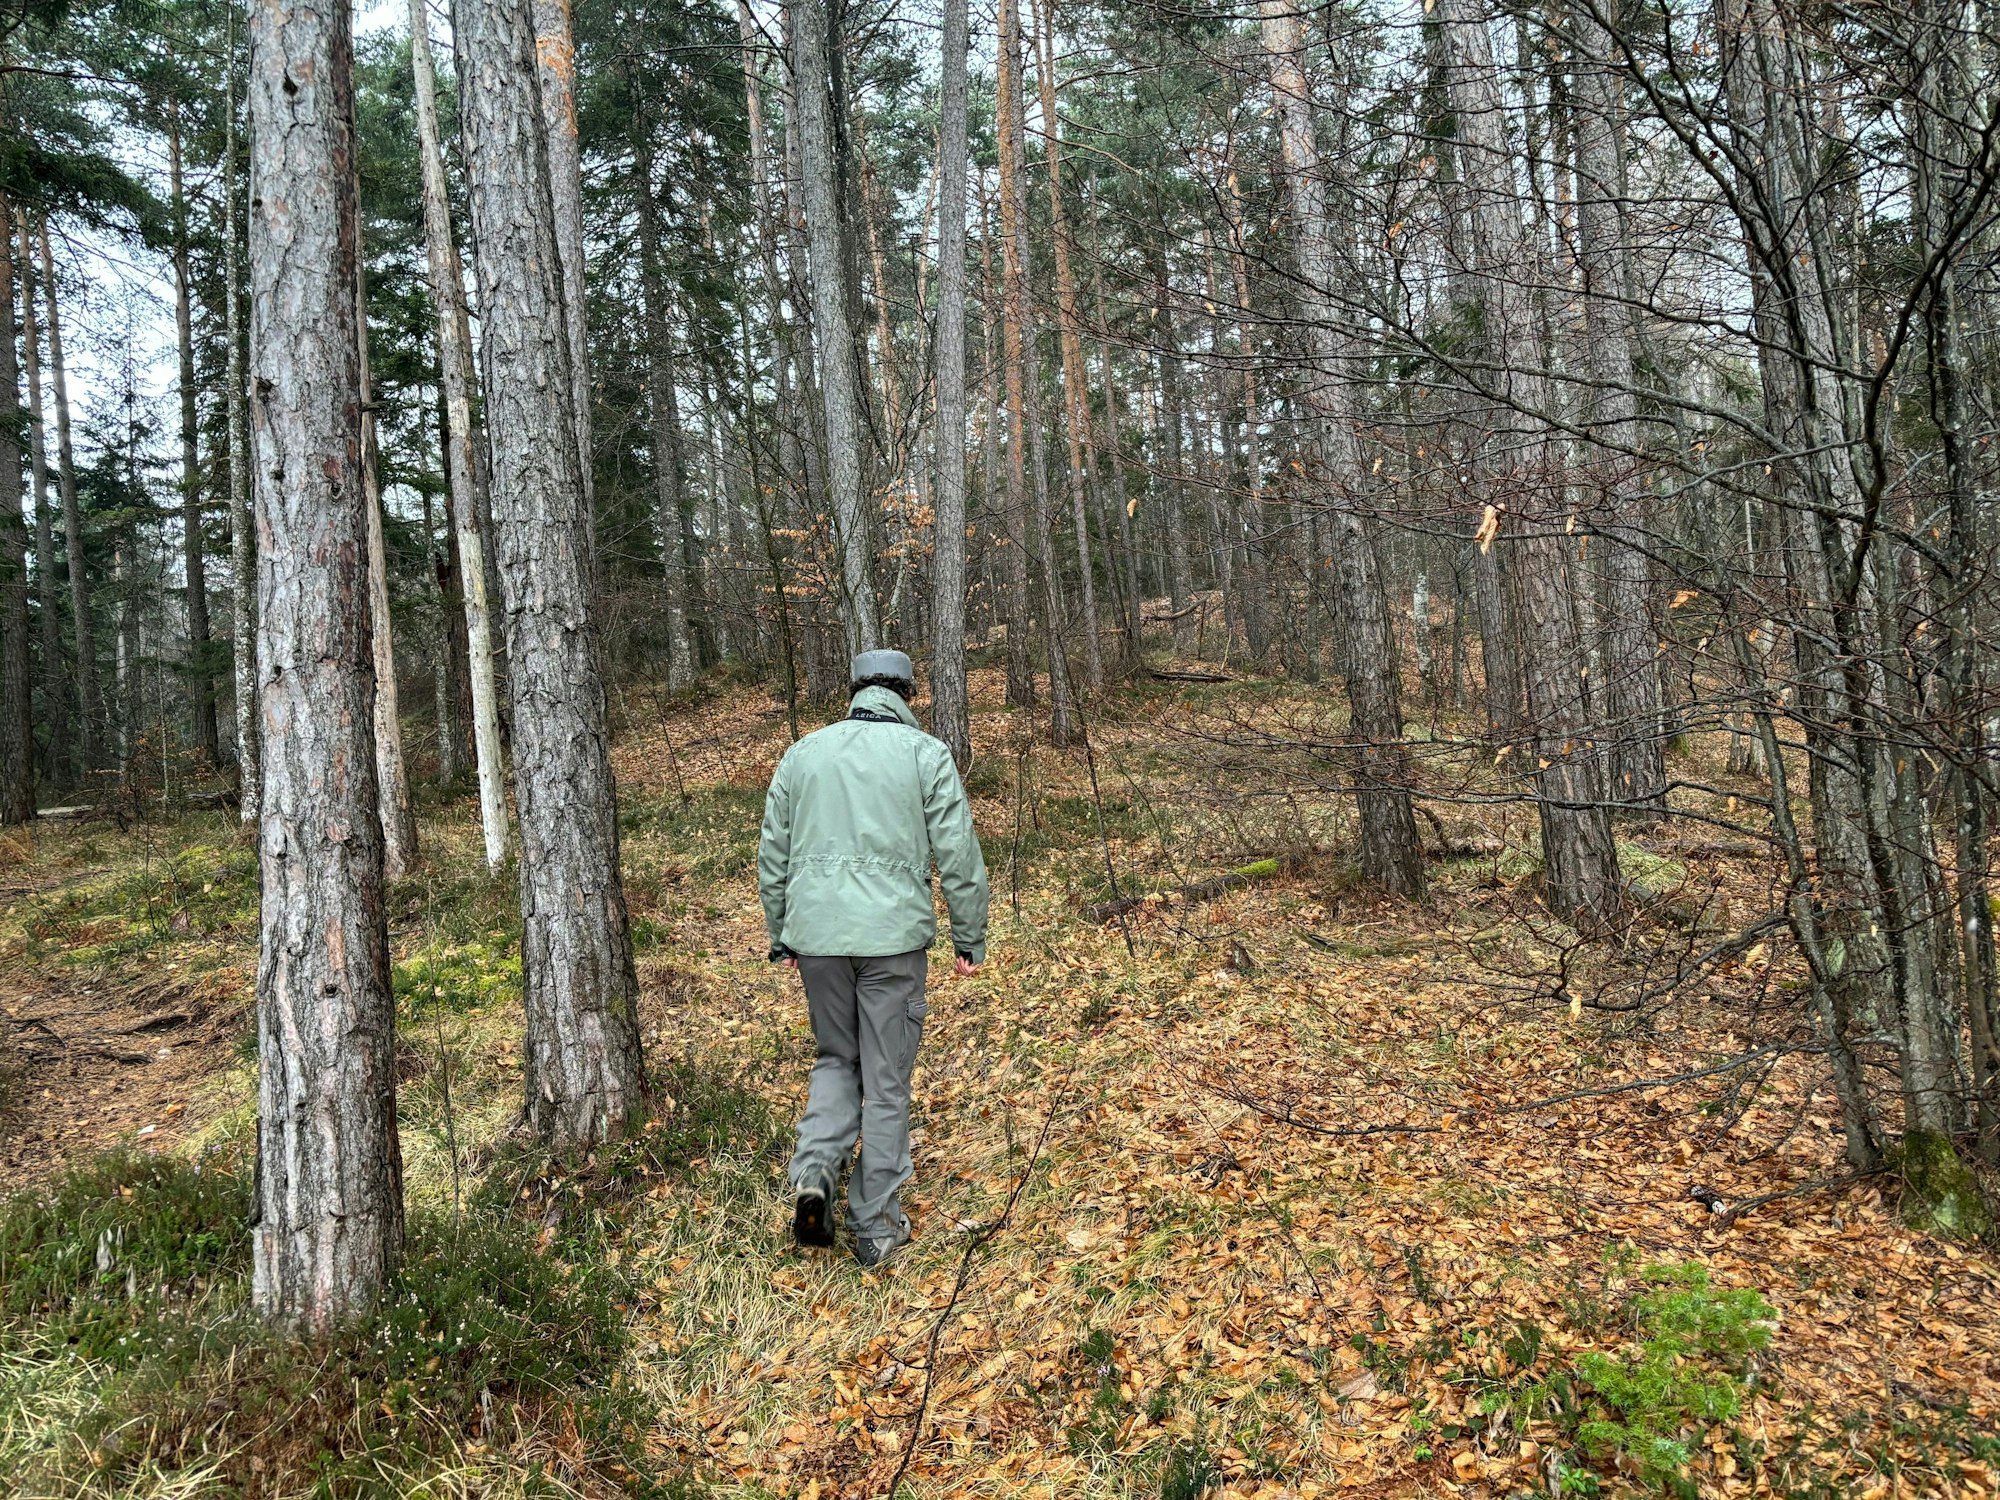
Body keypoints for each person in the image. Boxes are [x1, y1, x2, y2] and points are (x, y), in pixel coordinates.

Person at [758, 649, 990, 1266]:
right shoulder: (926, 756)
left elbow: (773, 851)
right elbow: (959, 855)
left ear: (856, 689)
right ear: (907, 694)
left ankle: (814, 1177)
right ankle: (878, 1227)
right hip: (893, 944)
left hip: (818, 941)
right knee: (886, 1081)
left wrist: (782, 931)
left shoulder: (803, 754)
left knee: (837, 1059)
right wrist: (970, 936)